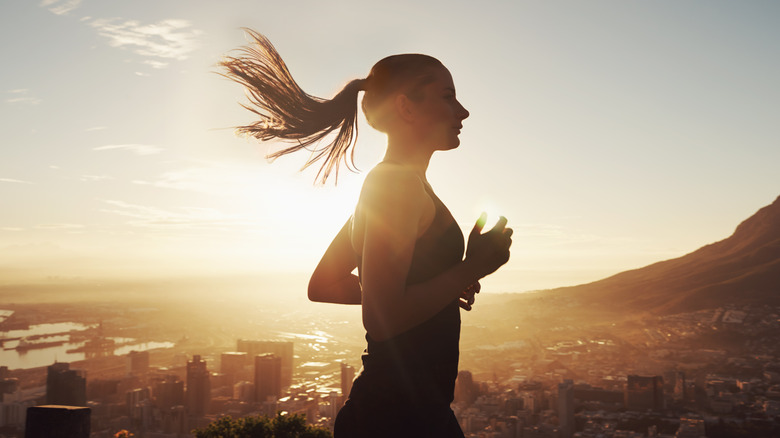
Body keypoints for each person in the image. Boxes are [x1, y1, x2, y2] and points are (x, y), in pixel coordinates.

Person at [220, 30, 513, 438]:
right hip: (399, 418)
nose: (462, 111)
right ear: (405, 108)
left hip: (401, 412)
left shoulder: (393, 185)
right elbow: (382, 317)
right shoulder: (396, 188)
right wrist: (471, 267)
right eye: (448, 96)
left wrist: (440, 286)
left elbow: (325, 284)